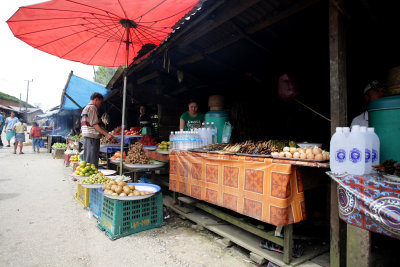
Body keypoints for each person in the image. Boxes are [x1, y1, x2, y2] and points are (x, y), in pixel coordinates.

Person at [81, 92, 115, 168]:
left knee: (88, 161)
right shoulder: (92, 108)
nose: (100, 104)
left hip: (87, 138)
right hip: (92, 138)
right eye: (100, 102)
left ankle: (88, 178)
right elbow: (95, 125)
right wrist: (107, 134)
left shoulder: (86, 108)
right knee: (92, 162)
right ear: (96, 99)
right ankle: (91, 177)